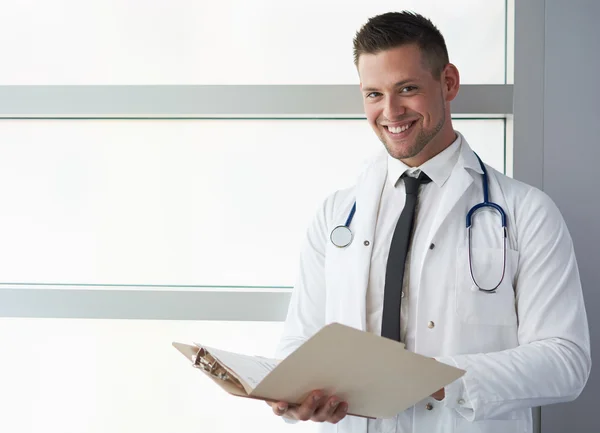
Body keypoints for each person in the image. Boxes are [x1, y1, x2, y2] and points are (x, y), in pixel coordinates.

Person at [268, 11, 591, 433]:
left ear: (448, 82)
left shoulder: (527, 212)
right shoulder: (336, 215)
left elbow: (565, 362)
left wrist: (435, 379)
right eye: (373, 94)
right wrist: (297, 395)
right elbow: (300, 341)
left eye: (407, 88)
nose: (390, 111)